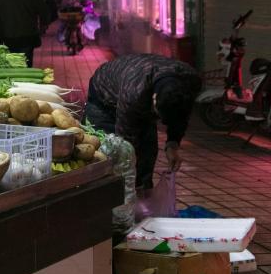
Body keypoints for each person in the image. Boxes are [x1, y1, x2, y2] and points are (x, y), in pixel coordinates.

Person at [85, 54, 202, 189]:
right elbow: (125, 140)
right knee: (108, 156)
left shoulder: (191, 82)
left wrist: (172, 145)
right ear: (154, 99)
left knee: (146, 157)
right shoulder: (134, 93)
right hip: (103, 95)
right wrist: (127, 173)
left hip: (138, 90)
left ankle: (143, 195)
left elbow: (181, 115)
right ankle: (107, 200)